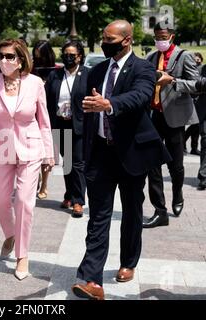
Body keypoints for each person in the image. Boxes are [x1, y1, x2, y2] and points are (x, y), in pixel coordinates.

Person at [71, 20, 170, 300]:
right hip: (101, 152)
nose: (105, 42)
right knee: (98, 215)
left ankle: (128, 261)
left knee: (131, 211)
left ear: (126, 40)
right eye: (103, 37)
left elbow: (139, 97)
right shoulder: (97, 70)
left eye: (110, 38)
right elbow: (88, 109)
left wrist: (110, 104)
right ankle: (91, 278)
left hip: (131, 153)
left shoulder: (143, 68)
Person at [0, 38, 55, 280]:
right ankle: (11, 233)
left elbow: (44, 120)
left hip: (31, 149)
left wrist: (49, 152)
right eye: (1, 56)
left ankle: (22, 255)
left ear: (21, 59)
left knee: (23, 201)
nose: (4, 61)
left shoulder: (35, 84)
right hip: (2, 151)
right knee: (0, 202)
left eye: (10, 56)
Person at [143, 22, 199, 228]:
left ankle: (178, 193)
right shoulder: (150, 58)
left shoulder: (184, 56)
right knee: (152, 165)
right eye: (157, 36)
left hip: (175, 119)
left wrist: (173, 81)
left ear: (172, 37)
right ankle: (160, 210)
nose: (160, 40)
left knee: (176, 165)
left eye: (163, 36)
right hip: (153, 117)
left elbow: (196, 84)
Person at [45, 40, 88, 217]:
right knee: (68, 163)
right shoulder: (55, 75)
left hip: (79, 124)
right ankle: (69, 195)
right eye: (66, 54)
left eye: (72, 55)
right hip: (60, 123)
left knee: (78, 163)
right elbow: (47, 99)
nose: (68, 58)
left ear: (79, 57)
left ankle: (78, 200)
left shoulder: (87, 74)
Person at [31, 40, 56, 199]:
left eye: (40, 57)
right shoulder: (32, 68)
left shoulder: (55, 71)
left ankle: (44, 183)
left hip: (50, 115)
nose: (37, 60)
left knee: (48, 153)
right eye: (35, 57)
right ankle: (36, 178)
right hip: (33, 115)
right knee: (34, 151)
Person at [183, 52, 203, 156]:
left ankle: (194, 148)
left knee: (197, 126)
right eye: (195, 57)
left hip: (199, 99)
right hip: (192, 99)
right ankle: (183, 144)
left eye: (199, 57)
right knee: (195, 125)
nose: (197, 59)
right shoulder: (190, 68)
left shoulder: (202, 68)